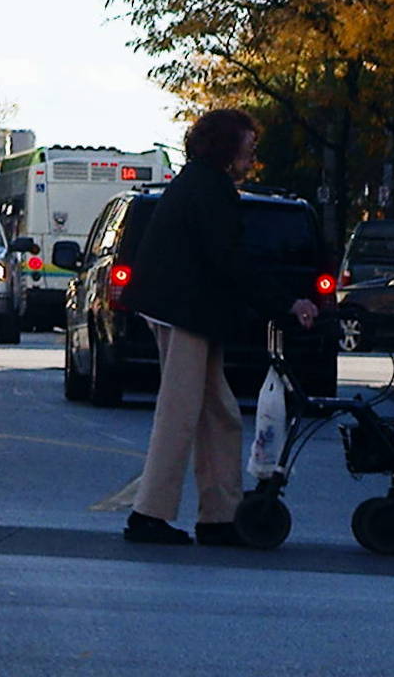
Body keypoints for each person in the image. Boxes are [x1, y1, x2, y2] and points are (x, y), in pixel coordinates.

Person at [118, 107, 320, 546]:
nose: (253, 157)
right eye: (248, 147)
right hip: (184, 313)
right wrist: (286, 303)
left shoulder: (199, 184)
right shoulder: (209, 191)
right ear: (227, 149)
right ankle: (149, 514)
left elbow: (223, 261)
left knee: (218, 413)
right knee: (180, 414)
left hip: (184, 310)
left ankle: (220, 514)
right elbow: (230, 260)